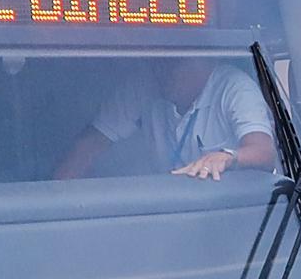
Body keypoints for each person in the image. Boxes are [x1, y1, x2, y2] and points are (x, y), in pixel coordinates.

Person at [56, 51, 277, 181]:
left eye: (173, 64)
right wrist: (58, 198)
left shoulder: (235, 88)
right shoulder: (147, 83)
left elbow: (264, 153)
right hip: (168, 218)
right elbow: (90, 146)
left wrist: (227, 158)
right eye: (159, 63)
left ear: (201, 61)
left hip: (231, 220)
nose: (162, 71)